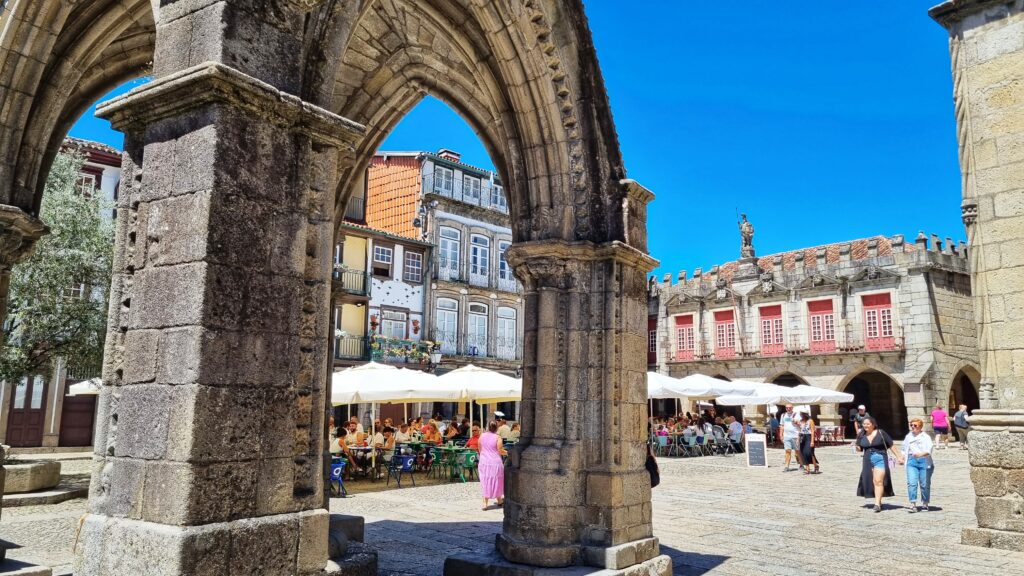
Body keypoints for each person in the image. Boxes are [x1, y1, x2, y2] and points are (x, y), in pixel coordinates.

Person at [856, 416, 904, 512]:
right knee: (872, 481)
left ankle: (877, 503)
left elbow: (891, 445)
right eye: (864, 424)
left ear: (873, 424)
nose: (865, 425)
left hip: (880, 458)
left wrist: (899, 456)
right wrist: (856, 447)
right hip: (867, 460)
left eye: (868, 423)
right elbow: (859, 448)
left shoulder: (881, 433)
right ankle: (878, 501)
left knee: (878, 481)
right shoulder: (861, 434)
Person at [902, 418, 934, 512]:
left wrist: (921, 454)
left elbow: (929, 450)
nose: (913, 427)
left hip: (924, 461)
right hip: (911, 461)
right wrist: (902, 457)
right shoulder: (908, 436)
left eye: (915, 425)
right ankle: (913, 504)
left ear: (920, 426)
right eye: (911, 425)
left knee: (924, 484)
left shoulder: (925, 437)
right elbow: (904, 448)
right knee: (912, 483)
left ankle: (925, 503)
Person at [477, 421, 507, 510]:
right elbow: (500, 450)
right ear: (497, 428)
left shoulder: (482, 436)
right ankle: (499, 500)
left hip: (484, 461)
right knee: (497, 480)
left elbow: (479, 449)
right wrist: (508, 453)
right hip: (495, 462)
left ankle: (485, 503)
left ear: (487, 427)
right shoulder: (498, 437)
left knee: (485, 480)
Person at [780, 405, 802, 471]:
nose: (788, 409)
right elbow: (782, 425)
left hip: (795, 436)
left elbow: (802, 424)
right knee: (787, 451)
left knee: (797, 451)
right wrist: (781, 434)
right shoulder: (783, 415)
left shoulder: (797, 415)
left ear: (792, 408)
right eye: (787, 408)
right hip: (786, 436)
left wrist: (796, 422)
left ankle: (801, 464)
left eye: (790, 408)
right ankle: (787, 466)